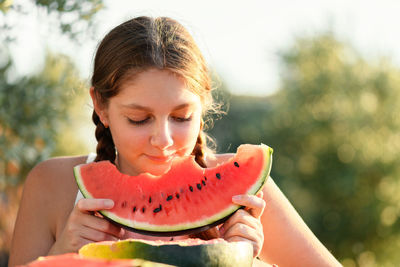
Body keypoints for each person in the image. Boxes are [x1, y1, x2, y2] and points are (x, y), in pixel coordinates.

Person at [8, 16, 341, 267]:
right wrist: (61, 253)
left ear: (203, 105)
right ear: (101, 107)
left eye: (182, 117)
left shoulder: (246, 196)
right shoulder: (52, 186)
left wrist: (246, 261)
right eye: (139, 119)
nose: (163, 140)